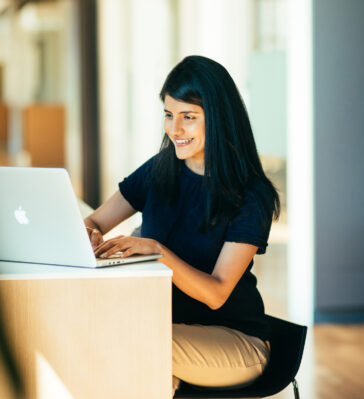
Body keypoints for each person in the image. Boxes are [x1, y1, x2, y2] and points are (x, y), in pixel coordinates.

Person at [84, 55, 280, 396]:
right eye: (169, 115)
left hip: (235, 342)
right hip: (165, 327)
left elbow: (217, 293)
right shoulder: (162, 168)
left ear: (218, 119)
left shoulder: (251, 194)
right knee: (127, 351)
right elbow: (96, 220)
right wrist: (89, 234)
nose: (175, 129)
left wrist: (157, 251)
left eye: (188, 118)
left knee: (132, 342)